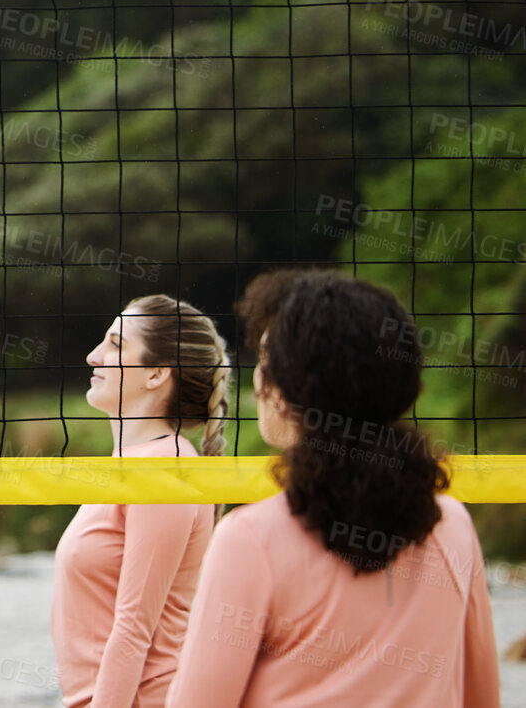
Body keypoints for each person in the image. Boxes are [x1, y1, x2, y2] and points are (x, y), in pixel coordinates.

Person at [168, 270, 501, 706]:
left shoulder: (249, 539)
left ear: (287, 393)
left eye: (266, 364)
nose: (255, 380)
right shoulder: (453, 522)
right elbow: (483, 698)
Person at [53, 295, 227, 707]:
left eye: (116, 345)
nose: (94, 356)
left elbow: (133, 629)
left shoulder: (165, 467)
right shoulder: (133, 464)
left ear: (155, 374)